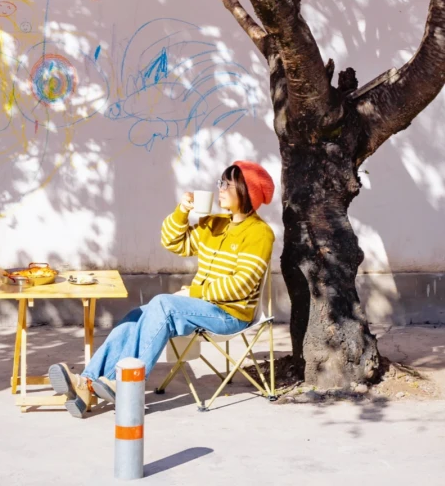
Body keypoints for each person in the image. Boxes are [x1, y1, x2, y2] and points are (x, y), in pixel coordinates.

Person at [48, 160, 275, 416]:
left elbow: (241, 286)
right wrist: (182, 211)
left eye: (227, 184)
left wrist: (194, 293)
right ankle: (87, 384)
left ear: (247, 191)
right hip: (201, 306)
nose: (220, 188)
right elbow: (172, 242)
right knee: (137, 316)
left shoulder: (259, 233)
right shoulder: (215, 223)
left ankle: (124, 383)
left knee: (164, 304)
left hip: (230, 315)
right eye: (220, 183)